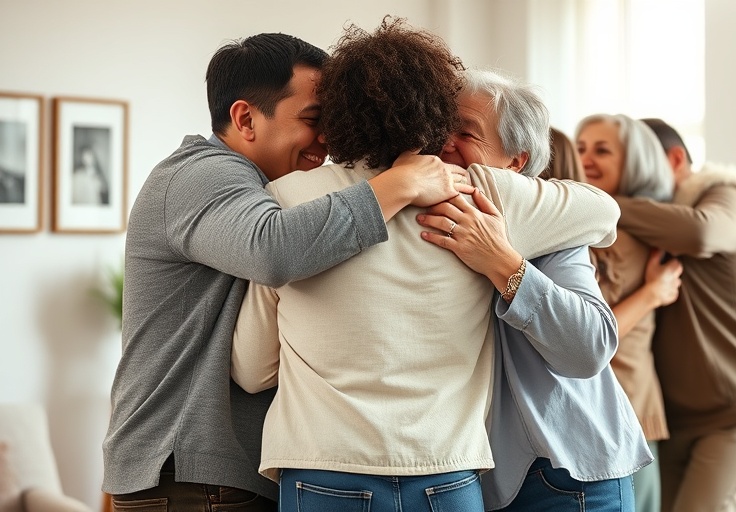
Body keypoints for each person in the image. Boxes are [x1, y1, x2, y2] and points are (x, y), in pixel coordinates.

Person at [230, 19, 620, 512]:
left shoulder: (286, 199)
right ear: (435, 108)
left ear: (336, 115)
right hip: (446, 470)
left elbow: (250, 368)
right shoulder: (482, 191)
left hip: (324, 465)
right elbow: (604, 212)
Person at [102, 32, 470, 512]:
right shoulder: (203, 174)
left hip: (204, 474)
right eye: (314, 120)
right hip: (192, 475)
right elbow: (272, 250)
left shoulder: (253, 183)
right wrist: (398, 184)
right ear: (244, 118)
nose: (328, 139)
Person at [418, 69, 651, 512]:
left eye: (465, 133)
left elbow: (590, 348)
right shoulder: (412, 213)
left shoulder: (555, 224)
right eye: (438, 130)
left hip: (565, 472)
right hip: (467, 479)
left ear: (516, 162)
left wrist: (502, 263)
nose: (445, 144)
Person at [616, 117, 736, 512]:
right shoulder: (637, 224)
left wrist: (600, 200)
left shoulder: (724, 193)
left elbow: (702, 234)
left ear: (674, 159)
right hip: (673, 419)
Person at [574, 113, 684, 512]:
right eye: (581, 147)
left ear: (634, 163)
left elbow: (592, 331)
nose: (586, 158)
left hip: (624, 402)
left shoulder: (624, 238)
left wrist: (653, 294)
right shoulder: (588, 227)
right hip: (606, 402)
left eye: (602, 150)